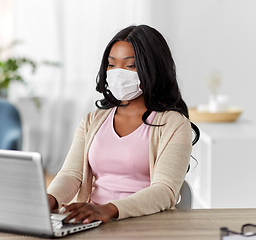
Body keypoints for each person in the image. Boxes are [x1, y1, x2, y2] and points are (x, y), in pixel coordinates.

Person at [47, 24, 200, 225]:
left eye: (129, 66)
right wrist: (48, 200)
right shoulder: (92, 121)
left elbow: (165, 190)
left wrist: (109, 210)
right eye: (111, 65)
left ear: (152, 69)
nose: (117, 73)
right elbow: (71, 175)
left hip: (144, 225)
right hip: (91, 222)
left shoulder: (174, 125)